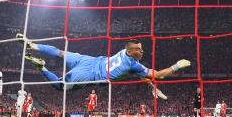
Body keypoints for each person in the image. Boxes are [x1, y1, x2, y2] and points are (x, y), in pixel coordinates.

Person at [18, 36, 190, 98]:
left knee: (60, 52)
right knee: (59, 86)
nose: (142, 51)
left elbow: (134, 73)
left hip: (89, 60)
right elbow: (158, 74)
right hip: (90, 74)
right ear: (131, 51)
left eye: (141, 48)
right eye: (139, 50)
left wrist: (150, 85)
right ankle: (42, 67)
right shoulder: (133, 64)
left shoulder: (124, 53)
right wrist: (176, 66)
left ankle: (32, 45)